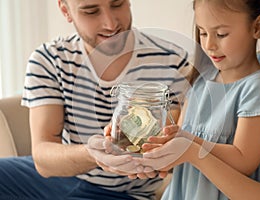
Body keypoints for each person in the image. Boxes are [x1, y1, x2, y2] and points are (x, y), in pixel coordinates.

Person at [0, 0, 194, 199]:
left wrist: (158, 157)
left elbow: (175, 150)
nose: (110, 24)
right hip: (60, 177)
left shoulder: (174, 62)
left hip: (122, 194)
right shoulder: (50, 59)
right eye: (91, 11)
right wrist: (93, 153)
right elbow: (43, 157)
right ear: (66, 10)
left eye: (117, 4)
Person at [140, 0, 260, 199]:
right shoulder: (206, 76)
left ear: (257, 26)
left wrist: (190, 147)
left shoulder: (256, 85)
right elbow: (178, 139)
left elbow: (244, 161)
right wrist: (139, 141)